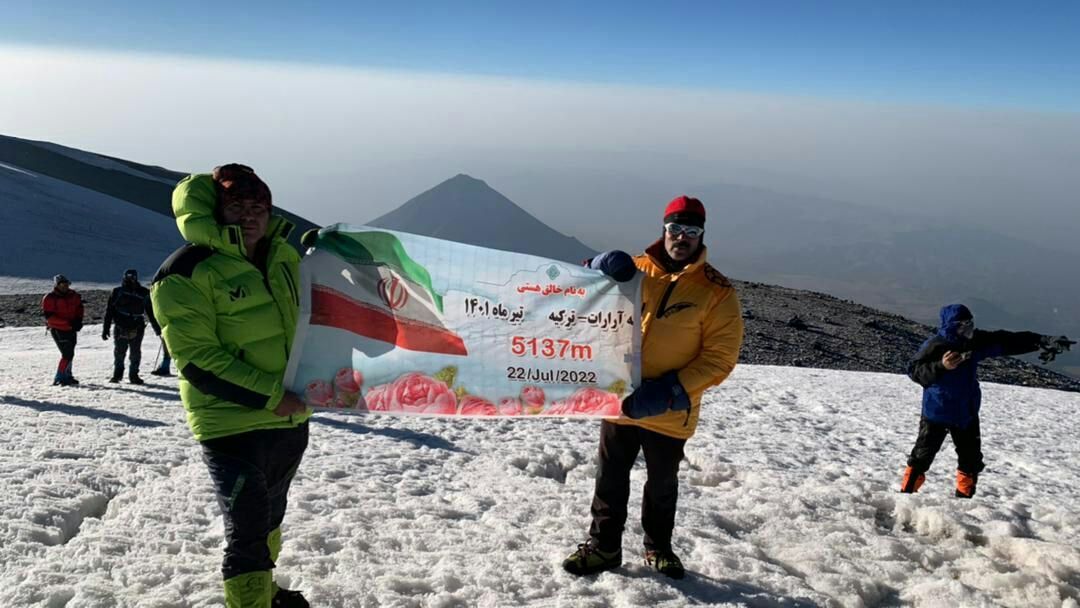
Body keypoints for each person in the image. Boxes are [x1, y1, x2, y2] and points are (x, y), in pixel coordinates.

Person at [151, 164, 312, 608]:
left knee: (271, 518)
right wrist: (274, 397)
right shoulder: (186, 271)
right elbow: (199, 362)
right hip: (232, 425)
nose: (250, 215)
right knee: (247, 530)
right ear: (215, 210)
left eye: (258, 205)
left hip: (289, 419)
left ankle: (265, 593)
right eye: (237, 205)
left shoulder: (284, 258)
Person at [563, 196, 744, 579]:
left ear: (702, 236)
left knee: (662, 483)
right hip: (620, 396)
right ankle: (604, 547)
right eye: (675, 229)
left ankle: (658, 547)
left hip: (670, 407)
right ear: (663, 229)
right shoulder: (634, 270)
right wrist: (595, 266)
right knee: (609, 478)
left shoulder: (717, 292)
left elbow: (719, 359)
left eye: (691, 231)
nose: (682, 237)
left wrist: (668, 391)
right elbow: (576, 290)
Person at [901, 304, 1074, 498]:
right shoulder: (936, 345)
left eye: (970, 323)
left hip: (966, 413)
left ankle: (964, 501)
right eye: (962, 325)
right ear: (950, 326)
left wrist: (1043, 341)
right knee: (921, 458)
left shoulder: (974, 342)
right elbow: (914, 371)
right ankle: (905, 497)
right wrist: (941, 365)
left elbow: (1007, 341)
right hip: (936, 413)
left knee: (970, 461)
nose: (968, 329)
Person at [102, 268, 161, 384]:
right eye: (128, 277)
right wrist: (106, 328)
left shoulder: (143, 293)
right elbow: (109, 311)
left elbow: (150, 312)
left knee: (135, 352)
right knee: (120, 352)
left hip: (137, 326)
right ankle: (117, 375)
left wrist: (156, 328)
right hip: (120, 326)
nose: (131, 280)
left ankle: (134, 375)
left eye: (132, 277)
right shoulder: (117, 292)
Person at [41, 274, 84, 386]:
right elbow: (49, 317)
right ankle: (59, 377)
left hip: (71, 328)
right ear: (57, 285)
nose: (65, 286)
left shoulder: (73, 295)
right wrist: (69, 323)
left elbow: (79, 308)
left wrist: (78, 320)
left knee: (70, 353)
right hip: (58, 329)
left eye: (66, 284)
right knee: (67, 353)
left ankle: (67, 375)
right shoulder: (50, 298)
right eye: (62, 284)